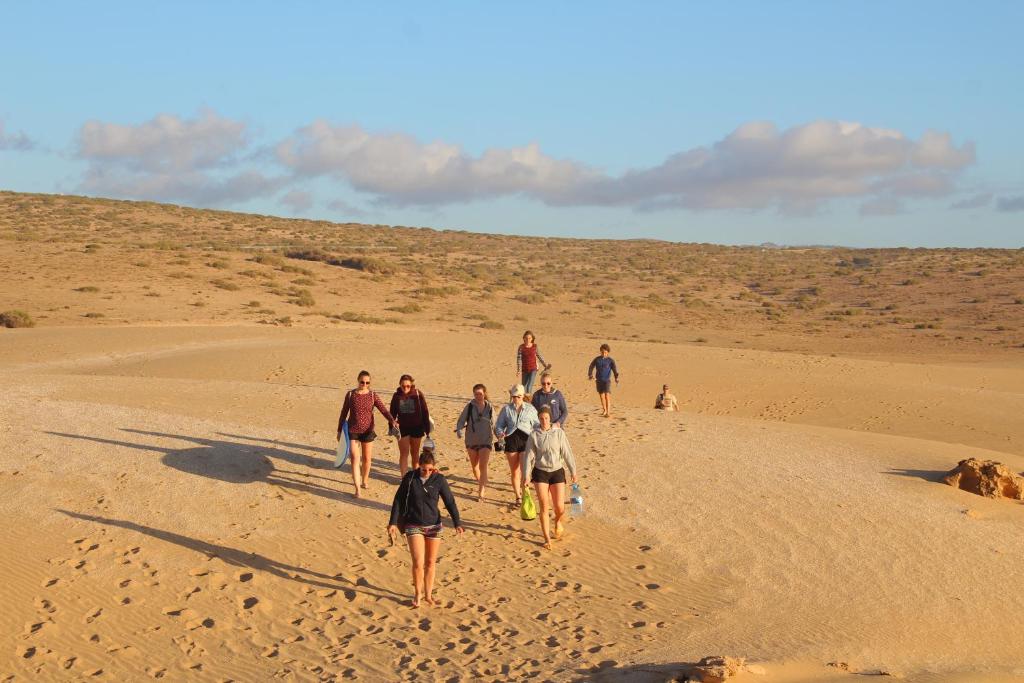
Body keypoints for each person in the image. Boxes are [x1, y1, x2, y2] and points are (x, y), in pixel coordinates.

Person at [387, 451, 463, 608]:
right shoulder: (410, 478)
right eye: (424, 469)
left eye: (430, 469)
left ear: (434, 468)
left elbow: (450, 502)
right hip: (413, 525)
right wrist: (393, 522)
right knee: (418, 562)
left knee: (430, 562)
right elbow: (398, 500)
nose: (427, 473)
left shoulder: (439, 480)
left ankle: (428, 594)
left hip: (434, 526)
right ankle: (418, 595)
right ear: (418, 466)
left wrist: (457, 523)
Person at [521, 405, 578, 550]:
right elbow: (528, 456)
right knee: (544, 507)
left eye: (546, 418)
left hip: (557, 471)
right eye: (541, 418)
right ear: (538, 419)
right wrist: (526, 476)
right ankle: (547, 538)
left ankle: (558, 522)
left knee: (559, 507)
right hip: (540, 472)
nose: (544, 421)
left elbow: (567, 452)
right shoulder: (534, 435)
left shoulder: (559, 433)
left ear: (550, 418)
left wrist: (573, 471)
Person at [337, 370, 399, 498]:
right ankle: (357, 489)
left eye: (367, 383)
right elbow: (343, 413)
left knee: (366, 459)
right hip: (352, 431)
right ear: (358, 381)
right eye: (362, 382)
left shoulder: (372, 395)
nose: (364, 384)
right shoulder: (350, 395)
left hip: (368, 431)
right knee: (355, 458)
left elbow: (383, 409)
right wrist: (339, 431)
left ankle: (364, 480)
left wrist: (392, 420)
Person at [494, 384, 539, 507]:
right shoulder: (506, 409)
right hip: (511, 441)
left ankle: (525, 495)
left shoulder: (530, 409)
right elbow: (498, 425)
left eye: (518, 396)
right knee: (514, 471)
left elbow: (537, 425)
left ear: (523, 396)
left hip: (526, 441)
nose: (516, 399)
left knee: (525, 472)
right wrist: (500, 434)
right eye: (514, 396)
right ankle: (518, 497)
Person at [455, 383, 495, 502]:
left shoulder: (490, 407)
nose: (478, 396)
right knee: (475, 466)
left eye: (480, 393)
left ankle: (481, 492)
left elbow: (495, 423)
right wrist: (459, 430)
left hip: (486, 440)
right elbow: (461, 420)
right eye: (476, 394)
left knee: (483, 466)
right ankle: (481, 482)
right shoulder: (470, 406)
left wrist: (500, 437)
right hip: (471, 440)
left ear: (484, 394)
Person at [390, 374, 431, 476]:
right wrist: (391, 427)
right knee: (404, 454)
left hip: (417, 427)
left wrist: (427, 429)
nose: (405, 388)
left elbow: (425, 412)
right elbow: (392, 413)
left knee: (415, 453)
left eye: (408, 386)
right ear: (400, 385)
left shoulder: (417, 394)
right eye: (403, 386)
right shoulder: (396, 396)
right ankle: (404, 477)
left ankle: (415, 476)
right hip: (403, 428)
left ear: (411, 385)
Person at [587, 343, 620, 417]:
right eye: (602, 352)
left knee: (607, 395)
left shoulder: (610, 360)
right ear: (600, 351)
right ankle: (604, 410)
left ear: (608, 352)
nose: (603, 353)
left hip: (607, 380)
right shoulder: (597, 359)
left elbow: (614, 370)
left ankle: (608, 412)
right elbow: (591, 366)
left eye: (605, 352)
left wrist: (616, 377)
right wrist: (590, 375)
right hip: (598, 380)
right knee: (601, 396)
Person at [516, 331, 550, 396]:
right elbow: (519, 359)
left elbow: (539, 356)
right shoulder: (521, 347)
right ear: (523, 338)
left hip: (533, 369)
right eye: (526, 338)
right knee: (524, 387)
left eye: (529, 338)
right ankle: (524, 400)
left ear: (532, 339)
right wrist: (518, 370)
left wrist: (545, 365)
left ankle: (529, 401)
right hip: (524, 369)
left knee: (529, 386)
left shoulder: (535, 347)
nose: (527, 340)